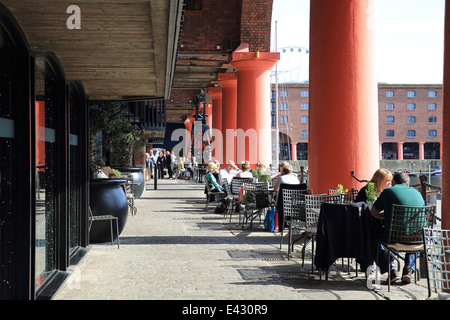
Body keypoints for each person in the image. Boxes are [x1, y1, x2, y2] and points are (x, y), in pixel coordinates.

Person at [370, 172, 425, 284]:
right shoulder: (417, 193)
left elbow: (373, 212)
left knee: (372, 236)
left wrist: (387, 216)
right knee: (412, 233)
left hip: (394, 237)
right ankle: (408, 269)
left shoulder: (388, 191)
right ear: (408, 184)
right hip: (418, 240)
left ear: (394, 182)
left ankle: (391, 269)